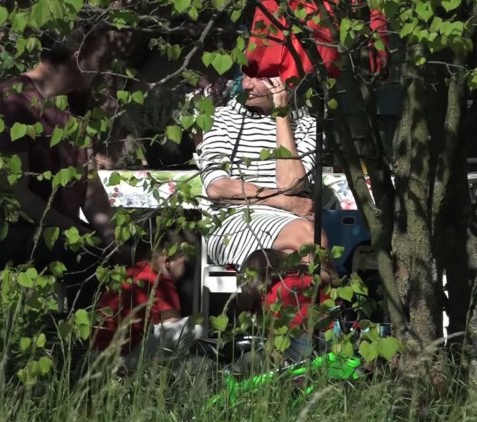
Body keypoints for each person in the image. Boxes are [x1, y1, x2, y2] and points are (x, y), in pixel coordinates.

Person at [0, 29, 120, 310]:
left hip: (58, 228)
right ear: (77, 58)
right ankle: (74, 349)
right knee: (87, 254)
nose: (101, 71)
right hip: (8, 232)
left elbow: (90, 187)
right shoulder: (11, 101)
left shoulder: (73, 108)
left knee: (138, 248)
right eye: (98, 61)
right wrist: (81, 233)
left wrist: (113, 238)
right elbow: (17, 197)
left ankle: (155, 340)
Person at [196, 75, 331, 274]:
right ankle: (332, 302)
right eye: (245, 75)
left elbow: (290, 183)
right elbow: (218, 187)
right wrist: (287, 203)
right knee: (310, 241)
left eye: (259, 78)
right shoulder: (220, 118)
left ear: (285, 81)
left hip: (289, 226)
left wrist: (281, 115)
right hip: (232, 226)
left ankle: (271, 301)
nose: (247, 85)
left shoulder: (307, 125)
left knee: (301, 259)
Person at [92, 229, 203, 370]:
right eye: (184, 264)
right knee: (196, 325)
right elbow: (170, 331)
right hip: (123, 358)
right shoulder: (161, 283)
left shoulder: (131, 272)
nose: (185, 271)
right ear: (168, 261)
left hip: (97, 355)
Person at [236, 248, 330, 362]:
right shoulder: (309, 278)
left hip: (304, 346)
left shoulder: (273, 294)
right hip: (331, 337)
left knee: (253, 356)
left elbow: (274, 334)